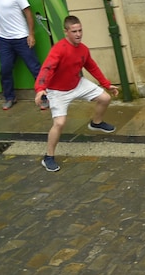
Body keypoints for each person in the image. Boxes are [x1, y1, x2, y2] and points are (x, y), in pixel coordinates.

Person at [34, 16, 119, 172]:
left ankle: (96, 123)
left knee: (105, 98)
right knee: (59, 123)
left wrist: (107, 84)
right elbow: (47, 68)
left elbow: (92, 67)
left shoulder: (83, 49)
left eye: (80, 30)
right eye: (74, 31)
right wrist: (40, 88)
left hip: (77, 84)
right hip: (57, 91)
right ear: (66, 32)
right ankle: (48, 157)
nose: (78, 34)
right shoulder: (59, 49)